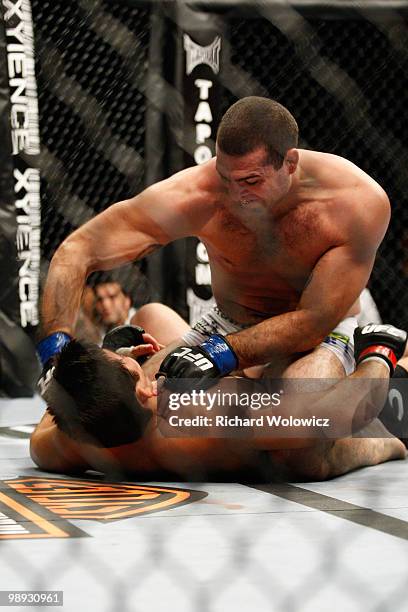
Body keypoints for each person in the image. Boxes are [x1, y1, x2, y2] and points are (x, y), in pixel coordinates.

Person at [38, 96, 391, 390]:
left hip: (318, 335)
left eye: (252, 180)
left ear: (290, 162)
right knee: (127, 405)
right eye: (227, 178)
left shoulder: (354, 202)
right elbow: (76, 251)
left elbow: (312, 321)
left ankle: (380, 362)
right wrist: (56, 353)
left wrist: (220, 354)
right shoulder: (197, 193)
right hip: (228, 324)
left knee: (296, 418)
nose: (237, 196)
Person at [30, 323, 407, 481]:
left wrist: (117, 353)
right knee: (305, 437)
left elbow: (55, 407)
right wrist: (378, 354)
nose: (137, 361)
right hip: (306, 439)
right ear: (146, 393)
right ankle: (391, 428)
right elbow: (334, 417)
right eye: (133, 367)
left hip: (265, 430)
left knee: (157, 322)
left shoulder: (63, 443)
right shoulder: (203, 416)